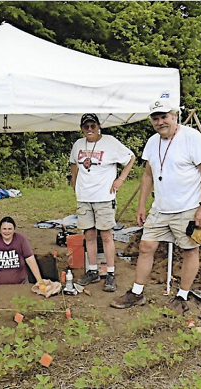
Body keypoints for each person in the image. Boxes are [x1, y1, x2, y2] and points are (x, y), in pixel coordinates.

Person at [110, 98, 201, 315]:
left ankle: (182, 296)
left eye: (164, 116)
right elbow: (148, 175)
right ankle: (137, 292)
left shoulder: (192, 138)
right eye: (156, 118)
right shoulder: (152, 142)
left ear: (174, 116)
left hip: (188, 208)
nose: (160, 122)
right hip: (160, 208)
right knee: (146, 247)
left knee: (189, 250)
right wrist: (141, 206)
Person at [70, 113, 135, 292]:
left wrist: (121, 179)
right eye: (86, 127)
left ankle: (110, 273)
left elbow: (131, 158)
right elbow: (73, 165)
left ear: (99, 126)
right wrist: (75, 184)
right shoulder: (78, 145)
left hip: (104, 197)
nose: (89, 130)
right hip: (84, 198)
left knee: (106, 235)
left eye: (92, 126)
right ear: (82, 129)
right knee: (89, 235)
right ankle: (92, 270)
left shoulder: (110, 142)